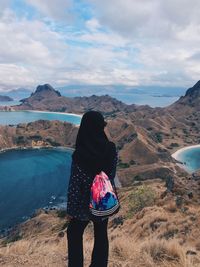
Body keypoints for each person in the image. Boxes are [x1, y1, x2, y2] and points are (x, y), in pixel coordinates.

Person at [66, 111, 118, 267]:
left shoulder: (80, 154)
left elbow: (75, 185)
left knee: (74, 234)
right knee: (101, 234)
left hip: (83, 204)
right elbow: (111, 175)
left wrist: (70, 210)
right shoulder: (111, 149)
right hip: (102, 201)